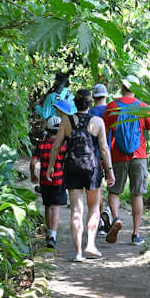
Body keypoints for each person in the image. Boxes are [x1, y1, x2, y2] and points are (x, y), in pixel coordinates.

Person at [47, 91, 116, 262]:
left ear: (75, 104)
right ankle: (90, 245)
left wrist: (50, 167)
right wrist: (110, 170)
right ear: (90, 104)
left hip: (72, 168)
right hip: (92, 169)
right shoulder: (98, 122)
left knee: (76, 211)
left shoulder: (66, 121)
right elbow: (104, 149)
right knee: (94, 208)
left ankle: (78, 252)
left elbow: (56, 146)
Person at [103, 75, 150, 245]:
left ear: (122, 87)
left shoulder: (111, 107)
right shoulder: (142, 107)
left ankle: (117, 218)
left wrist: (102, 156)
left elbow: (102, 135)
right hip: (138, 156)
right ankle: (135, 235)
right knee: (137, 194)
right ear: (136, 87)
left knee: (114, 191)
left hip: (117, 155)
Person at [30, 116, 67, 249]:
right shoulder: (63, 145)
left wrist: (33, 174)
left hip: (45, 181)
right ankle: (53, 235)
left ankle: (49, 231)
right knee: (55, 207)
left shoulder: (42, 145)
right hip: (59, 180)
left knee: (47, 206)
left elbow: (33, 162)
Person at [89, 83, 113, 235]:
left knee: (98, 189)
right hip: (111, 154)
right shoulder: (111, 111)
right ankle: (109, 213)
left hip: (95, 155)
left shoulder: (90, 112)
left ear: (93, 97)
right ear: (106, 95)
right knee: (113, 189)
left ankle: (99, 222)